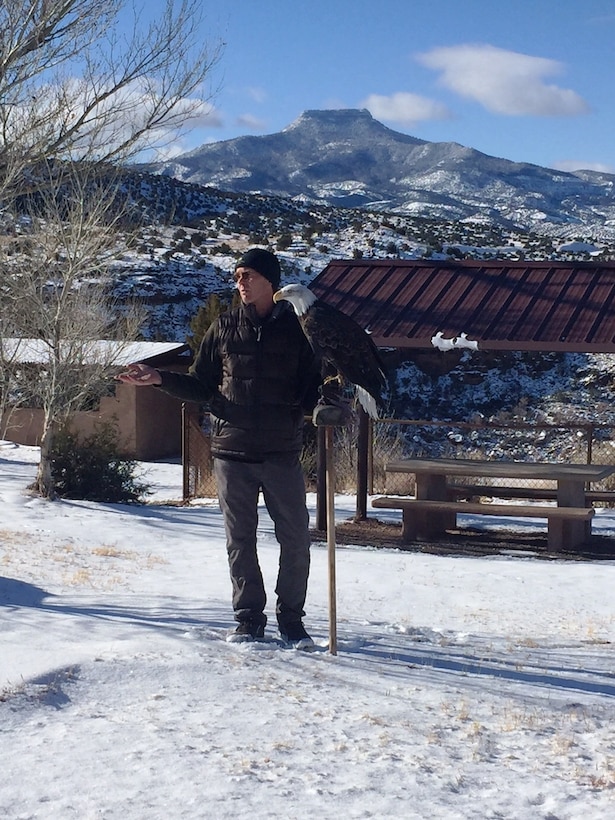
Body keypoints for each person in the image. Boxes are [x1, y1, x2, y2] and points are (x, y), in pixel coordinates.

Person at [117, 248, 322, 648]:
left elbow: (312, 386)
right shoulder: (224, 327)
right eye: (236, 277)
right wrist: (159, 378)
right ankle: (248, 619)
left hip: (281, 452)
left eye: (247, 275)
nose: (240, 283)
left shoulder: (299, 330)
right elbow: (200, 384)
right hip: (232, 452)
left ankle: (292, 622)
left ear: (270, 281)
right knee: (239, 540)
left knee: (296, 539)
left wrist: (329, 405)